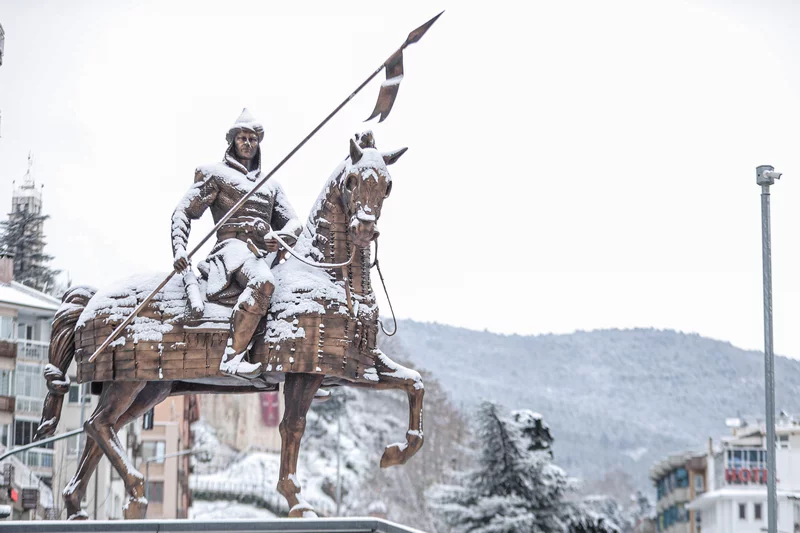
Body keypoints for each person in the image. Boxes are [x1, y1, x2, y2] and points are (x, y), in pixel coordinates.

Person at [171, 109, 302, 379]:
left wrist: (280, 237)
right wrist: (180, 248)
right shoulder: (215, 175)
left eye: (252, 139)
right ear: (232, 141)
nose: (247, 143)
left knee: (298, 297)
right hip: (231, 250)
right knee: (263, 282)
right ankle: (232, 357)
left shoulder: (271, 185)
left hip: (265, 254)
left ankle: (302, 372)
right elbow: (183, 211)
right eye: (242, 138)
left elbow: (294, 223)